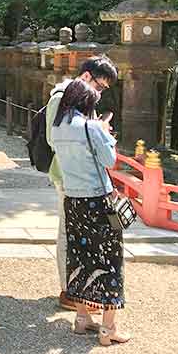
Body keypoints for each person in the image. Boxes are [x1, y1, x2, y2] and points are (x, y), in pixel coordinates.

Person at [51, 79, 128, 346]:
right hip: (97, 200)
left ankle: (82, 318)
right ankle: (109, 328)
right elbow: (110, 160)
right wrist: (105, 132)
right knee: (109, 261)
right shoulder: (91, 127)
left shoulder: (58, 127)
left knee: (80, 257)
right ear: (86, 103)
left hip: (73, 200)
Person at [46, 56, 118, 312]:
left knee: (84, 236)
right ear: (87, 76)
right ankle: (69, 290)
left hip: (86, 179)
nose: (101, 91)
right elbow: (53, 139)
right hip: (68, 176)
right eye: (100, 85)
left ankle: (81, 291)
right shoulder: (60, 98)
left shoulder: (83, 99)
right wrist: (94, 134)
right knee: (68, 232)